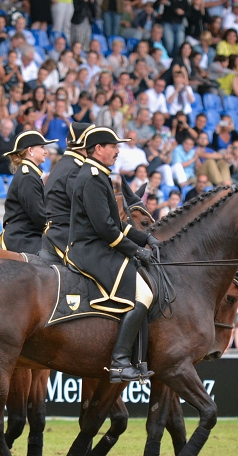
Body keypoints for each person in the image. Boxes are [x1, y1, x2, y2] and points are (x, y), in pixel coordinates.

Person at [67, 126, 159, 382]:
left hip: (95, 246)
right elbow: (106, 229)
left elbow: (114, 223)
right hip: (90, 250)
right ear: (98, 148)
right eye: (114, 146)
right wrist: (137, 251)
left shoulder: (98, 175)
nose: (118, 151)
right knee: (144, 293)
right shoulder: (93, 177)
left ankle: (138, 360)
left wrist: (145, 237)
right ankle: (119, 362)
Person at [42, 122, 93, 260]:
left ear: (67, 141)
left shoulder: (66, 163)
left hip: (57, 231)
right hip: (65, 236)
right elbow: (84, 209)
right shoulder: (76, 169)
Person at [1, 130, 55, 254]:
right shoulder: (28, 177)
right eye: (42, 147)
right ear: (30, 150)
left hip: (28, 234)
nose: (46, 151)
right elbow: (39, 215)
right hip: (23, 238)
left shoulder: (30, 174)